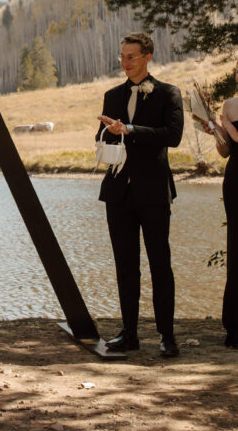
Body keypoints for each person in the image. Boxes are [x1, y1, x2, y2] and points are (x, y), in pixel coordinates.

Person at [97, 32, 184, 358]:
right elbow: (102, 137)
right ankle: (129, 333)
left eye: (130, 56)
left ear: (147, 56)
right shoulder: (112, 94)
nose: (124, 62)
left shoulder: (167, 93)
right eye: (121, 57)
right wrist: (107, 130)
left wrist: (131, 130)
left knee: (161, 264)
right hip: (118, 192)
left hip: (153, 192)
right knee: (125, 265)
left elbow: (172, 136)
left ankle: (167, 335)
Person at [204, 64, 238, 349]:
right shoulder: (231, 104)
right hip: (237, 179)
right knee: (237, 247)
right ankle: (235, 327)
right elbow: (226, 150)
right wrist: (215, 129)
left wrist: (227, 125)